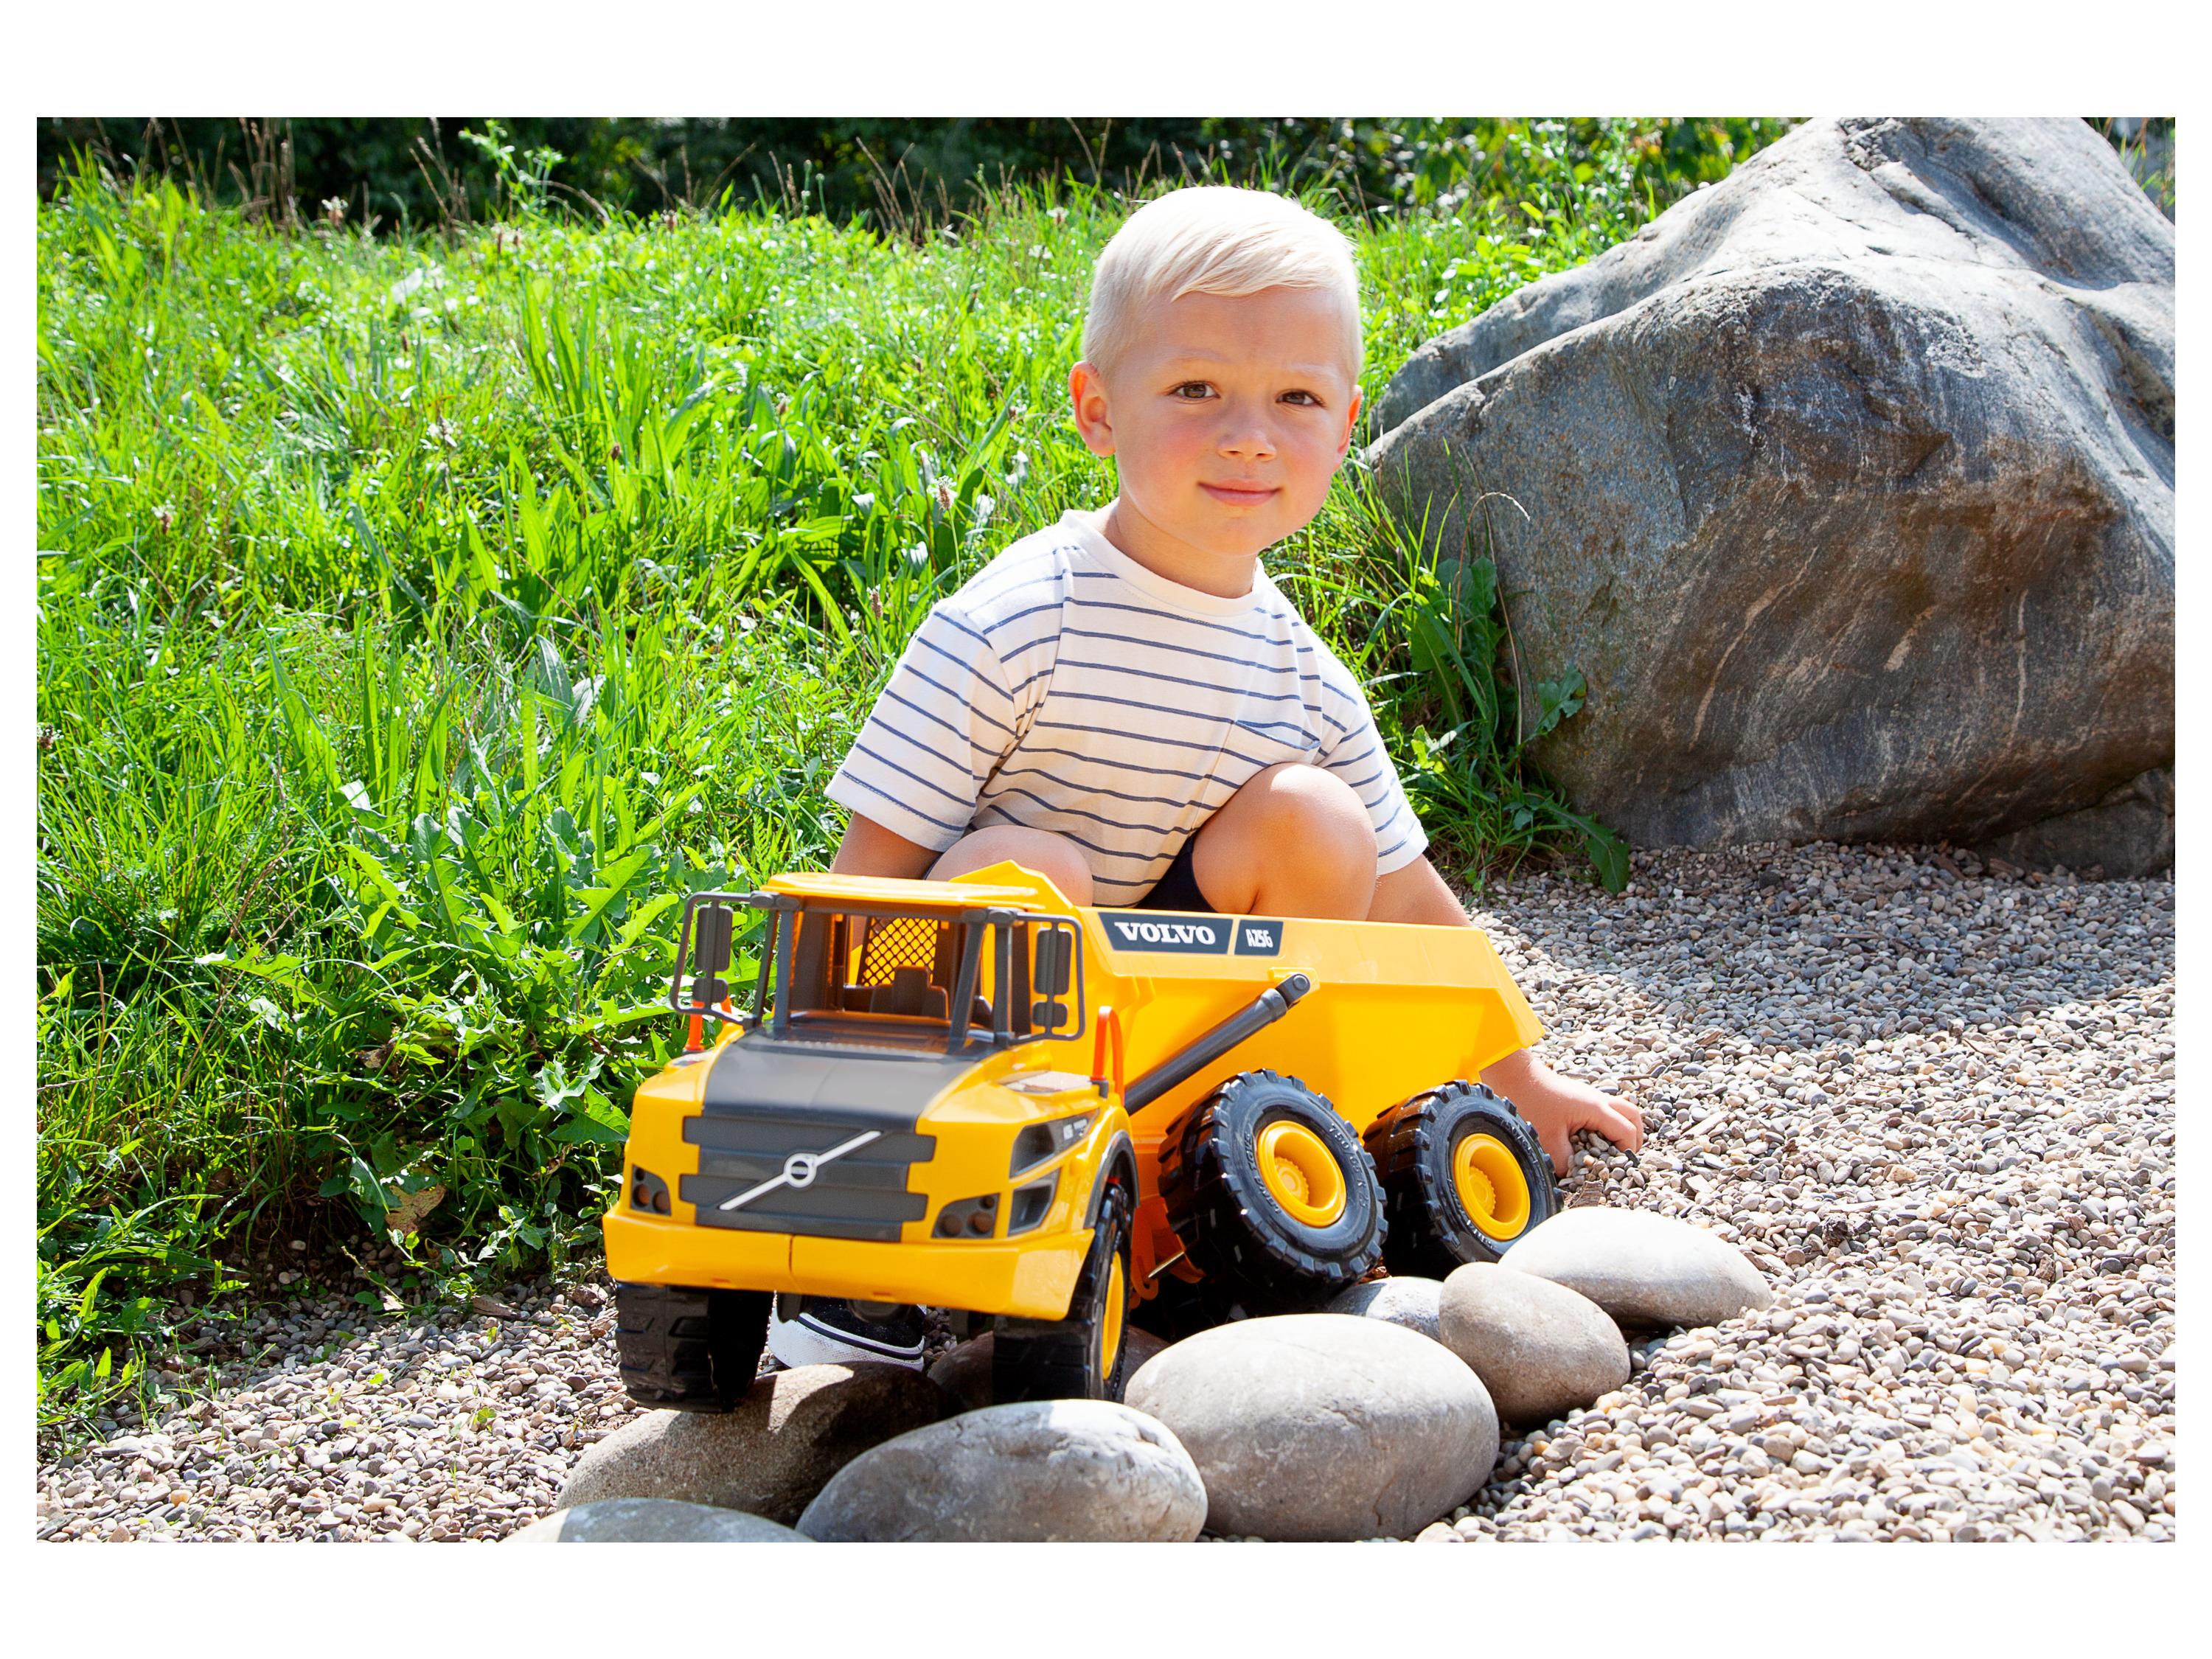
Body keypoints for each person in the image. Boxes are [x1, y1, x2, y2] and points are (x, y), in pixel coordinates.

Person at [768, 185, 1644, 1371]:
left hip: (1183, 1028)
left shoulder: (1304, 678)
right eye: (1195, 390)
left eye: (1296, 399)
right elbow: (869, 877)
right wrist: (816, 1100)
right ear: (1098, 410)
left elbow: (1405, 893)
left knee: (1320, 823)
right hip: (991, 1021)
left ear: (1345, 427)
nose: (1249, 436)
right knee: (1029, 865)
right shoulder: (1017, 622)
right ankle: (909, 1239)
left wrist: (1518, 1069)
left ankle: (1207, 1214)